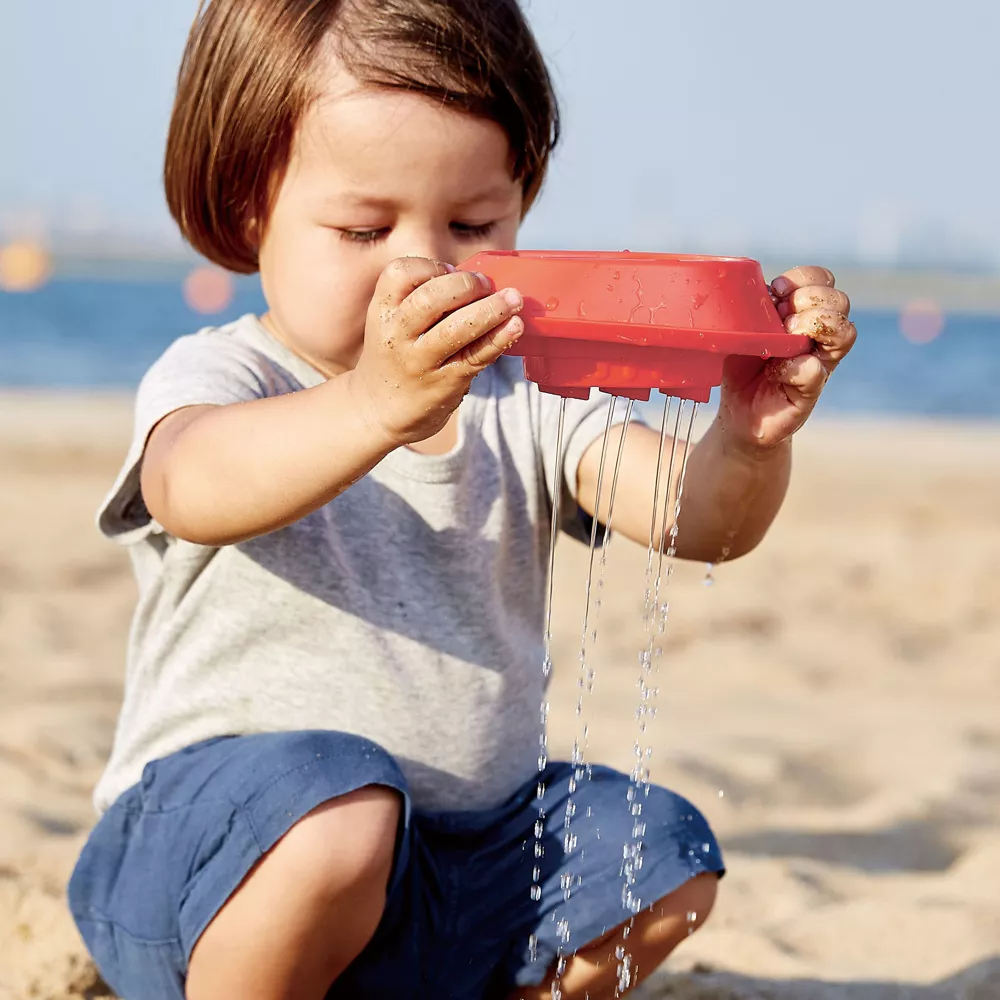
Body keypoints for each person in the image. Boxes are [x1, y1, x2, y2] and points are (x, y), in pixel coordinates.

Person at [67, 1, 857, 998]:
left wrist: (746, 438)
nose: (423, 265)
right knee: (338, 816)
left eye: (473, 225)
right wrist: (369, 407)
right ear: (247, 205)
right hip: (213, 868)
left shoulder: (523, 395)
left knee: (657, 854)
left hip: (454, 868)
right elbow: (193, 486)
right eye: (363, 227)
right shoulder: (225, 377)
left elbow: (692, 519)